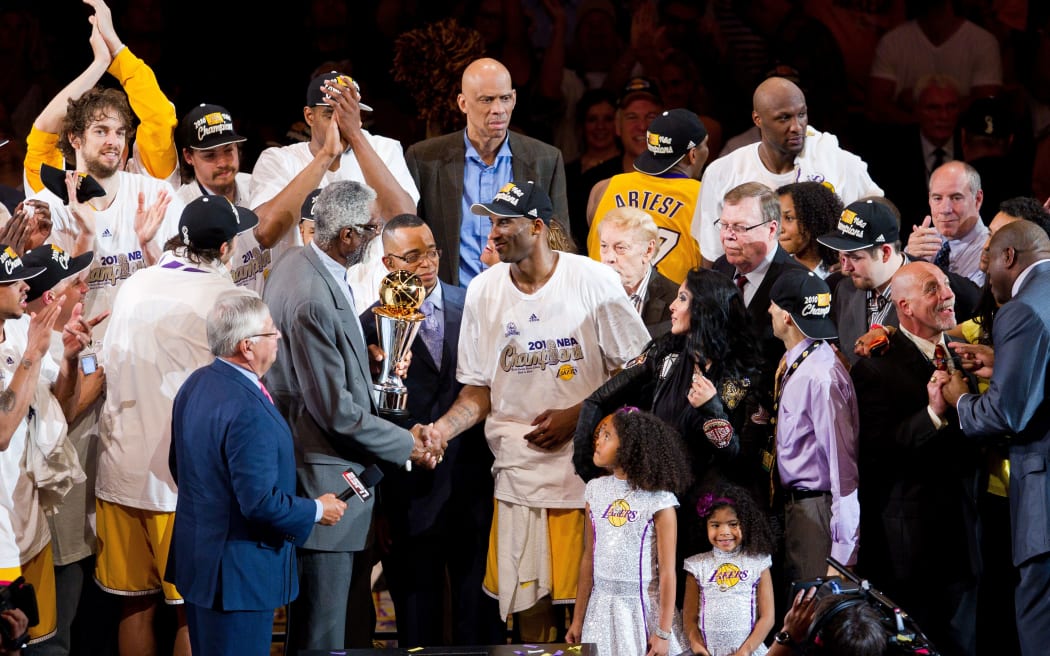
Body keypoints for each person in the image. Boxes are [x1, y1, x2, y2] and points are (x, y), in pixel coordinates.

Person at [424, 180, 649, 640]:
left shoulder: (594, 280)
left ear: (539, 227)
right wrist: (442, 430)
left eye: (505, 221)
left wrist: (580, 413)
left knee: (594, 608)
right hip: (517, 475)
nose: (494, 232)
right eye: (491, 221)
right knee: (531, 613)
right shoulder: (483, 291)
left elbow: (640, 369)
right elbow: (477, 392)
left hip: (588, 475)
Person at [262, 180, 435, 651]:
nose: (375, 236)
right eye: (371, 229)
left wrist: (371, 368)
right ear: (346, 237)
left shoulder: (297, 262)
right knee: (321, 633)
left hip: (322, 464)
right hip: (326, 476)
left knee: (328, 623)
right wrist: (407, 445)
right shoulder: (312, 297)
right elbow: (335, 411)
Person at [95, 196, 257, 656]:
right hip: (182, 483)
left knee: (135, 608)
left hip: (120, 473)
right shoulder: (233, 300)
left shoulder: (135, 284)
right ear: (225, 249)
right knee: (193, 611)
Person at [167, 295, 347, 656]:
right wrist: (315, 510)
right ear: (246, 346)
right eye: (271, 331)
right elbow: (261, 503)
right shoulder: (248, 408)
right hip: (239, 578)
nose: (278, 336)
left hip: (202, 565)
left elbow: (179, 466)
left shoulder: (197, 383)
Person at [360, 214, 503, 645]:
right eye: (413, 255)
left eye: (433, 251)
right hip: (410, 493)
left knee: (477, 610)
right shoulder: (369, 324)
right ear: (387, 262)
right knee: (417, 615)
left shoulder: (474, 305)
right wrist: (381, 503)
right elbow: (371, 418)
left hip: (473, 483)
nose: (427, 263)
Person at [850, 262, 981, 655]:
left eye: (945, 284)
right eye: (932, 288)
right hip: (913, 547)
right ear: (904, 306)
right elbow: (875, 454)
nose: (947, 294)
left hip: (968, 534)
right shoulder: (875, 366)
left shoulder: (963, 356)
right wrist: (932, 415)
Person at [946, 220, 1050, 656]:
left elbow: (1003, 414)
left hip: (1043, 494)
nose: (985, 274)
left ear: (1010, 257)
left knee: (1038, 624)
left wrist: (959, 400)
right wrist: (1003, 361)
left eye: (989, 261)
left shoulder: (1021, 309)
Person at [0, 245, 98, 647]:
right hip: (1, 538)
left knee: (44, 643)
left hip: (30, 525)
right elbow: (2, 432)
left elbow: (59, 408)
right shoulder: (30, 343)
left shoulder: (24, 331)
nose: (24, 285)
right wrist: (32, 358)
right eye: (11, 280)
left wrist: (71, 361)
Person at [242, 71, 418, 296]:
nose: (341, 124)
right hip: (301, 294)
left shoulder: (385, 149)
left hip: (371, 297)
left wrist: (356, 136)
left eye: (349, 114)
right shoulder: (278, 160)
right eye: (330, 114)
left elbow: (404, 221)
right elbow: (265, 234)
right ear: (309, 116)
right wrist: (326, 154)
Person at [405, 57, 569, 287]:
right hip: (452, 302)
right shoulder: (424, 159)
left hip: (521, 298)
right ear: (463, 103)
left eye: (505, 99)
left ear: (514, 99)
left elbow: (558, 242)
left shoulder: (545, 159)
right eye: (487, 100)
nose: (498, 110)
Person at [696, 77, 882, 264]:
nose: (796, 127)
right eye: (784, 118)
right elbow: (712, 256)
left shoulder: (834, 160)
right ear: (757, 119)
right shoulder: (722, 173)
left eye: (801, 114)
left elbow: (880, 211)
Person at [566, 408, 692, 656]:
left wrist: (663, 632)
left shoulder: (659, 501)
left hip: (641, 612)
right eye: (599, 434)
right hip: (601, 610)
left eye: (607, 436)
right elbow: (588, 558)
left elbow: (667, 573)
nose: (598, 441)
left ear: (630, 447)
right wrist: (578, 618)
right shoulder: (595, 490)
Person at [24, 0, 179, 193]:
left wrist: (117, 47)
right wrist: (100, 63)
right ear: (75, 139)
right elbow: (43, 131)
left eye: (120, 133)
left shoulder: (150, 188)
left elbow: (160, 118)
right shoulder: (55, 194)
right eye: (101, 131)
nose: (113, 142)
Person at [767, 269, 860, 583]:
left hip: (817, 514)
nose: (768, 311)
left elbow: (842, 468)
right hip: (798, 509)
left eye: (774, 306)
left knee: (815, 608)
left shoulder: (819, 377)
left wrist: (843, 553)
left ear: (788, 318)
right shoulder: (802, 363)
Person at [817, 198, 980, 366]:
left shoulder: (950, 290)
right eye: (842, 256)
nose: (845, 268)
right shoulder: (842, 287)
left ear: (886, 252)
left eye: (855, 258)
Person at [587, 108, 709, 284]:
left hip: (602, 304)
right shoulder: (705, 197)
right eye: (706, 144)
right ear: (693, 155)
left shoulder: (603, 188)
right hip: (673, 308)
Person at [683, 486, 776, 656]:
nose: (724, 532)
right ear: (705, 526)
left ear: (746, 524)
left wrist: (745, 651)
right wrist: (698, 648)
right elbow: (689, 619)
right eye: (715, 525)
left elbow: (768, 617)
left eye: (733, 524)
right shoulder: (696, 566)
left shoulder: (758, 563)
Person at [595, 207, 678, 338]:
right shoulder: (590, 294)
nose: (609, 257)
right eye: (604, 246)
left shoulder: (675, 300)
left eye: (620, 248)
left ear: (648, 251)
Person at [906, 160, 990, 286]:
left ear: (977, 199)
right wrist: (906, 262)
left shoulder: (991, 249)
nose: (945, 209)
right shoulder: (921, 242)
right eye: (937, 198)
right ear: (929, 199)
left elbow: (973, 301)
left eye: (956, 198)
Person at [566, 89, 620, 248]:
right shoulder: (568, 170)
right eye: (592, 119)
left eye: (608, 119)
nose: (600, 126)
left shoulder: (624, 169)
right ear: (581, 125)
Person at [174, 103, 249, 206]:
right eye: (210, 155)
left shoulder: (258, 188)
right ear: (188, 157)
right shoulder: (178, 209)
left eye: (228, 150)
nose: (222, 163)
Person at [775, 181, 841, 278]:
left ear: (813, 220)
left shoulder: (841, 273)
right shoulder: (772, 271)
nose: (778, 228)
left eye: (789, 218)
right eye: (776, 218)